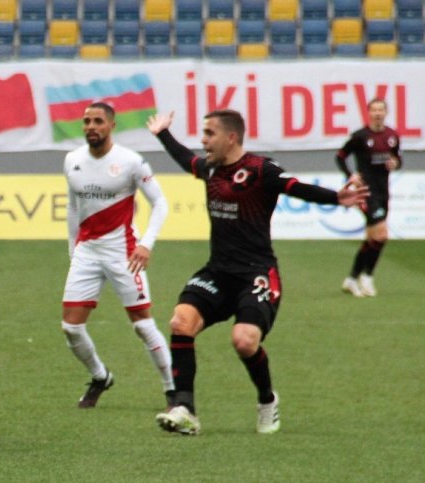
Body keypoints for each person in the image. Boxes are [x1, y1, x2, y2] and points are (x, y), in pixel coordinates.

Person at [147, 110, 369, 435]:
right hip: (217, 272)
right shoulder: (210, 169)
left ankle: (267, 399)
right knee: (181, 322)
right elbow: (186, 160)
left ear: (231, 137)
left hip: (256, 274)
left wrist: (337, 197)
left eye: (209, 133)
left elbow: (295, 187)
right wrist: (163, 134)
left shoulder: (260, 169)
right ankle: (186, 410)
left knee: (244, 341)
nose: (203, 141)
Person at [60, 102, 173, 409]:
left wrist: (146, 244)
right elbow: (73, 208)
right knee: (71, 328)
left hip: (123, 253)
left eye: (98, 121)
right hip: (86, 252)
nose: (91, 127)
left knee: (142, 324)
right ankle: (100, 376)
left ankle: (173, 392)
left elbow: (160, 204)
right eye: (86, 121)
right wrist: (73, 251)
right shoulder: (72, 160)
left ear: (111, 126)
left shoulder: (130, 161)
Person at [336, 98, 402, 298]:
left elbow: (397, 158)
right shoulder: (360, 136)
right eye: (374, 110)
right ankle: (367, 276)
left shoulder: (392, 136)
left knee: (373, 237)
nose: (378, 113)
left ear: (386, 112)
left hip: (383, 192)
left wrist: (396, 163)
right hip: (365, 192)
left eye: (381, 110)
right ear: (368, 113)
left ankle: (352, 279)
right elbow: (340, 156)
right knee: (381, 235)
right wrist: (350, 175)